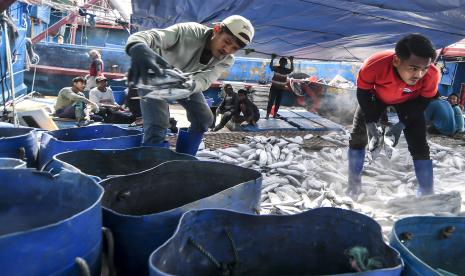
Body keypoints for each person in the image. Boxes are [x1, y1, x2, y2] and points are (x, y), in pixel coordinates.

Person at [125, 15, 254, 154]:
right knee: (158, 124)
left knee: (204, 119)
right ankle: (151, 164)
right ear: (217, 29)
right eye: (227, 41)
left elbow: (205, 79)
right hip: (154, 76)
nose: (227, 50)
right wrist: (137, 46)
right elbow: (150, 36)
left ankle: (185, 157)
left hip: (186, 81)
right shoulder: (187, 32)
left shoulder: (227, 60)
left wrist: (189, 86)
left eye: (234, 48)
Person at [348, 33, 440, 198]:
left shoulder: (432, 74)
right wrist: (370, 124)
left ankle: (427, 192)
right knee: (357, 138)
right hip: (376, 99)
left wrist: (401, 125)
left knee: (419, 145)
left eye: (424, 68)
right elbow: (362, 93)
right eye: (413, 68)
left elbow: (424, 102)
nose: (419, 75)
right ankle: (354, 186)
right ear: (397, 60)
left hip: (410, 103)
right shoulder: (374, 65)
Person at [266, 54, 294, 119]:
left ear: (286, 63)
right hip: (274, 88)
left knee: (278, 102)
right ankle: (267, 115)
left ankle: (274, 114)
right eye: (282, 62)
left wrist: (291, 61)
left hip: (281, 89)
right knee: (271, 101)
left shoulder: (286, 70)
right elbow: (271, 67)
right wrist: (272, 59)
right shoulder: (276, 68)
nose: (283, 63)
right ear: (279, 62)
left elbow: (291, 69)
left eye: (284, 62)